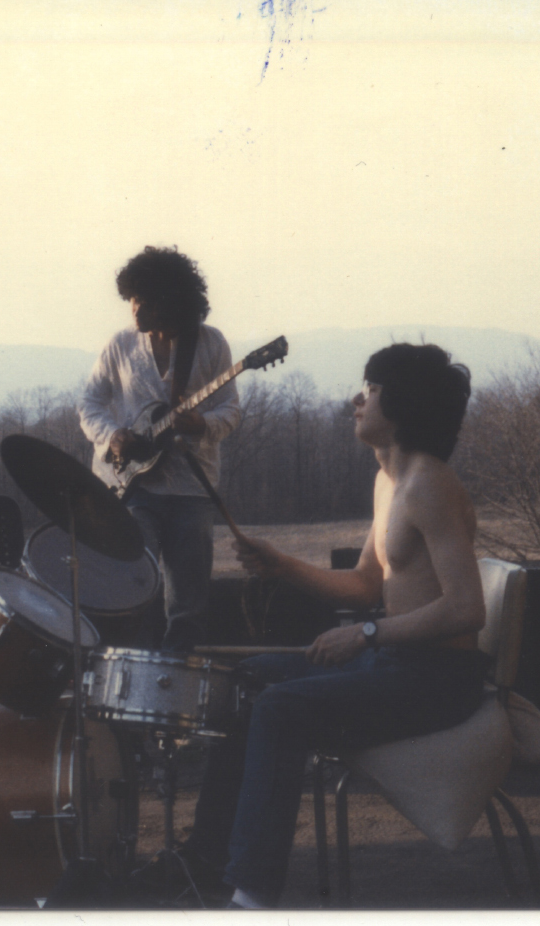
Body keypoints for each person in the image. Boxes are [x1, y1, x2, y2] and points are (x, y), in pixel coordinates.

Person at [177, 343, 488, 909]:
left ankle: (251, 896)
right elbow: (367, 585)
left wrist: (365, 635)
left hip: (439, 680)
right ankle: (204, 861)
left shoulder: (430, 485)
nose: (357, 399)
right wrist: (282, 564)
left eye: (370, 388)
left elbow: (467, 610)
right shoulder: (389, 481)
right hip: (397, 665)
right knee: (248, 680)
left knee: (280, 708)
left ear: (404, 404)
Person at [78, 245, 242, 652]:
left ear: (172, 301)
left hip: (192, 491)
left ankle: (179, 694)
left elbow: (231, 410)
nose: (134, 310)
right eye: (132, 300)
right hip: (135, 490)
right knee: (135, 589)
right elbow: (89, 404)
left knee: (188, 606)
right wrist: (112, 435)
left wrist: (202, 424)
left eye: (145, 301)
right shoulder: (120, 345)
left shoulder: (210, 343)